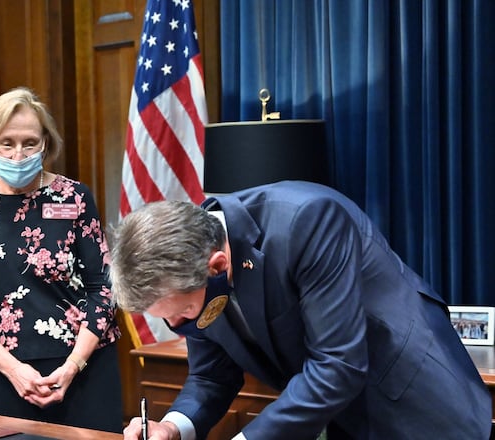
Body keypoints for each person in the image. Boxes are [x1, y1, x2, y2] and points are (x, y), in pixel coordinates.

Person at [110, 181, 491, 440]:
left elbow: (338, 365)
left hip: (417, 398)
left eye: (184, 313)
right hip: (345, 416)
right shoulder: (192, 281)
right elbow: (212, 377)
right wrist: (174, 427)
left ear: (217, 266)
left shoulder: (308, 220)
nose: (178, 327)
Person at [0, 87, 122, 432]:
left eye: (29, 143)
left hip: (83, 371)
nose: (17, 154)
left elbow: (104, 289)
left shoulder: (74, 198)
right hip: (2, 376)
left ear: (45, 144)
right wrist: (14, 370)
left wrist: (72, 366)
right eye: (7, 143)